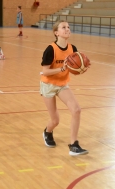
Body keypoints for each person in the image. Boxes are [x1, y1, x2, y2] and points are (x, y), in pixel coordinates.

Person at [40, 20, 88, 156]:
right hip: (48, 85)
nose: (67, 29)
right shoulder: (50, 49)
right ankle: (47, 132)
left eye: (68, 27)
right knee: (55, 120)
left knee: (76, 110)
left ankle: (74, 145)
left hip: (62, 84)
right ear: (56, 33)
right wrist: (62, 68)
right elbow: (45, 71)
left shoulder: (73, 48)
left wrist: (81, 68)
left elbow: (74, 67)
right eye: (63, 27)